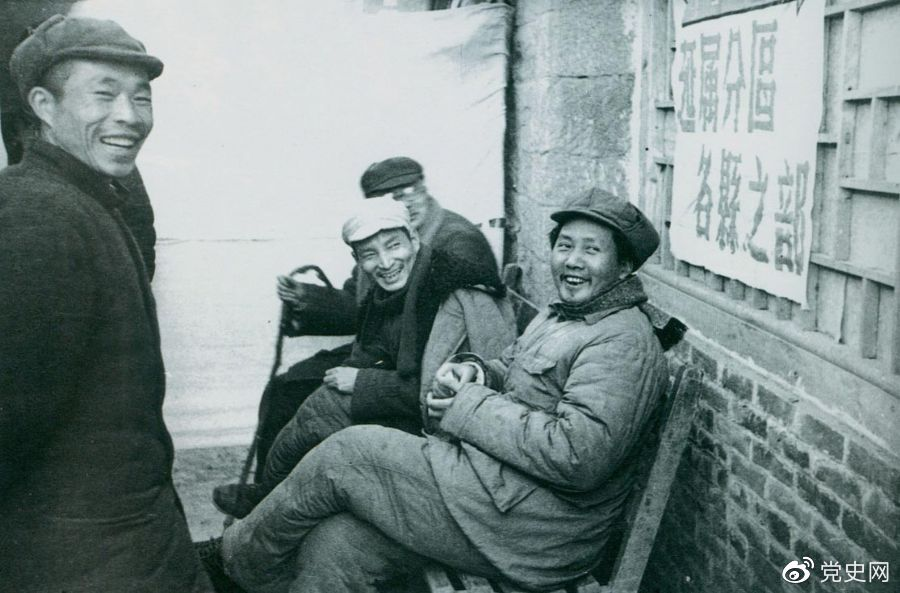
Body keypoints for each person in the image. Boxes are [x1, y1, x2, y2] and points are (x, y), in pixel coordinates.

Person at [216, 187, 675, 593]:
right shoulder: (563, 316)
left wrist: (469, 405)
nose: (572, 260)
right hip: (493, 493)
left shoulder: (621, 340)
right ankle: (251, 572)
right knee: (336, 543)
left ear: (623, 266)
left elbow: (577, 455)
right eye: (565, 246)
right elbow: (507, 367)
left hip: (536, 529)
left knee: (349, 454)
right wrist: (474, 372)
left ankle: (225, 566)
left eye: (591, 250)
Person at [0, 15, 212, 593]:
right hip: (85, 560)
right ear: (43, 105)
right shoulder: (37, 215)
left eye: (141, 97)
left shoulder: (86, 197)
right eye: (104, 93)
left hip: (129, 542)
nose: (130, 116)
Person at [214, 196, 513, 519]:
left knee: (326, 414)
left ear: (414, 239)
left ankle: (273, 505)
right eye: (370, 254)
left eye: (393, 246)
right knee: (309, 397)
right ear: (357, 260)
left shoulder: (452, 297)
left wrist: (361, 381)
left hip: (447, 434)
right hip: (409, 405)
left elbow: (441, 395)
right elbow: (375, 346)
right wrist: (352, 371)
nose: (385, 262)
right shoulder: (392, 290)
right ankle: (271, 496)